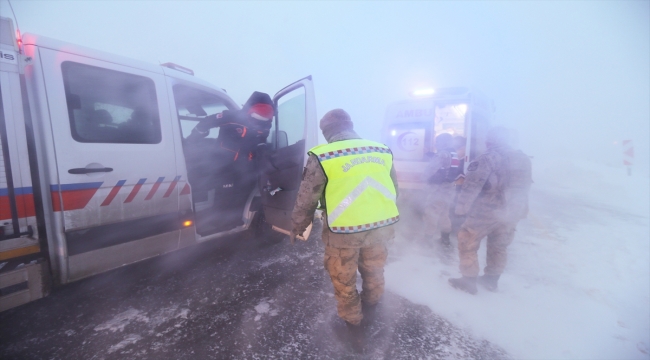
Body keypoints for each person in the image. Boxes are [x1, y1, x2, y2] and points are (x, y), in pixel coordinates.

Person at [290, 109, 399, 343]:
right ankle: (372, 307)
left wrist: (299, 225)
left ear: (327, 132)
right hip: (380, 228)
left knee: (344, 280)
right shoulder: (381, 150)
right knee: (374, 270)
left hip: (343, 234)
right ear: (350, 125)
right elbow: (394, 190)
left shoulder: (324, 155)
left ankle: (354, 328)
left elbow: (308, 196)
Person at [448, 126, 532, 294]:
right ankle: (491, 280)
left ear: (490, 140)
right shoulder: (523, 158)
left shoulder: (487, 158)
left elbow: (472, 186)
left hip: (488, 210)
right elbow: (525, 186)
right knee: (499, 246)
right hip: (512, 211)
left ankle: (468, 281)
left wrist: (460, 209)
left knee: (467, 240)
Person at [422, 133, 462, 246]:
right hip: (449, 190)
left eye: (437, 141)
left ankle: (427, 240)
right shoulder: (453, 153)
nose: (435, 144)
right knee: (444, 214)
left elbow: (431, 169)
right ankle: (445, 239)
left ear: (444, 142)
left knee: (431, 214)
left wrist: (424, 178)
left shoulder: (442, 154)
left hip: (438, 190)